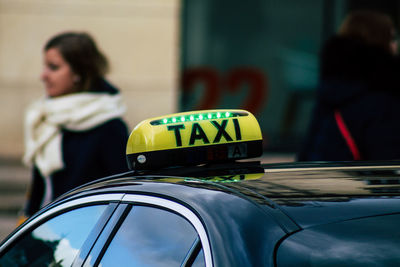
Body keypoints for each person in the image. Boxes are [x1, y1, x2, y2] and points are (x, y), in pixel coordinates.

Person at [21, 32, 129, 218]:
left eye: (53, 67)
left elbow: (122, 194)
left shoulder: (108, 125)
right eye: (45, 67)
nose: (43, 76)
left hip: (88, 238)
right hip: (47, 231)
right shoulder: (48, 117)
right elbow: (39, 191)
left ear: (79, 72)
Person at [298, 10, 400, 161]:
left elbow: (306, 155)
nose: (396, 45)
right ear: (380, 42)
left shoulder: (329, 93)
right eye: (392, 38)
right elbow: (388, 164)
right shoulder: (383, 100)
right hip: (361, 183)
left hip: (319, 182)